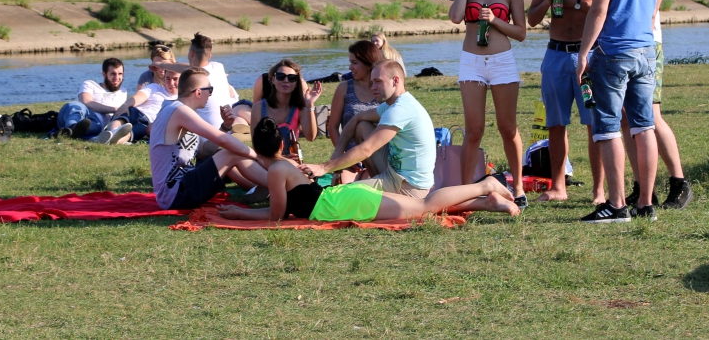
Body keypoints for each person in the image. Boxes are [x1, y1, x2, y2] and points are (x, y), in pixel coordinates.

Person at [218, 118, 519, 222]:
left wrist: (240, 212)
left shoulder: (275, 171)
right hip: (343, 198)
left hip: (343, 203)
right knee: (423, 207)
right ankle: (487, 202)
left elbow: (277, 217)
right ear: (281, 148)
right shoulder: (284, 165)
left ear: (258, 151)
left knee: (425, 207)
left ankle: (485, 186)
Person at [606, 0, 692, 211]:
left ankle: (680, 182)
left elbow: (652, 7)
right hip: (620, 44)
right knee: (627, 119)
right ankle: (644, 187)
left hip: (646, 43)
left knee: (651, 117)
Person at [575, 0, 661, 223]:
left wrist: (584, 53)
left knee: (608, 127)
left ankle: (616, 205)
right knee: (644, 126)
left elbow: (599, 10)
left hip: (615, 53)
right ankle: (646, 204)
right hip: (646, 51)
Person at [526, 0, 602, 204]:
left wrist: (576, 4)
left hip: (588, 57)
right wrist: (548, 0)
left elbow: (603, 14)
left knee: (595, 123)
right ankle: (558, 187)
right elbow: (531, 19)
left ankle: (599, 190)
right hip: (556, 55)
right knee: (555, 124)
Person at [449, 0, 528, 209]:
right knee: (474, 130)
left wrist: (495, 20)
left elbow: (521, 33)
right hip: (471, 61)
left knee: (508, 127)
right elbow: (456, 18)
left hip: (502, 60)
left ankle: (517, 187)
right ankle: (465, 191)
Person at [300, 60, 435, 199]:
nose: (373, 87)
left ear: (395, 81)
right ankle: (376, 184)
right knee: (362, 127)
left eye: (378, 82)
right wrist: (338, 152)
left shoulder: (400, 109)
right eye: (372, 82)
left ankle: (378, 192)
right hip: (394, 173)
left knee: (338, 196)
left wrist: (324, 168)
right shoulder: (393, 104)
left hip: (408, 187)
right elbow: (357, 118)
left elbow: (366, 149)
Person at [149, 67, 268, 210]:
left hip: (178, 189)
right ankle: (284, 186)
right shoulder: (179, 111)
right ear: (198, 92)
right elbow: (224, 141)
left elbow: (205, 152)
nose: (210, 95)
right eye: (210, 90)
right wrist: (257, 156)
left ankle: (272, 185)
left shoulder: (180, 110)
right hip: (174, 194)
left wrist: (225, 126)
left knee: (229, 152)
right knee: (231, 152)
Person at [240, 59, 321, 158]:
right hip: (265, 163)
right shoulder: (259, 107)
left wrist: (310, 105)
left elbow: (311, 137)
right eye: (281, 77)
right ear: (273, 80)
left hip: (292, 165)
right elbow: (256, 145)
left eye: (291, 78)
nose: (286, 80)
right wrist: (281, 159)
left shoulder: (299, 109)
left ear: (296, 83)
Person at [56, 57, 131, 144]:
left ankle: (72, 133)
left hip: (96, 123)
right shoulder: (90, 84)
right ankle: (72, 127)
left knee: (95, 126)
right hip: (81, 113)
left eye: (120, 74)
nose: (117, 77)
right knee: (77, 106)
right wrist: (114, 109)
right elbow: (86, 102)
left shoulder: (123, 91)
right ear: (104, 74)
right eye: (113, 74)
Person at [327, 41, 382, 150]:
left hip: (379, 154)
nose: (350, 68)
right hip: (351, 157)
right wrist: (342, 155)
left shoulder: (383, 89)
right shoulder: (344, 88)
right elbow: (332, 127)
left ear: (368, 63)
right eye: (350, 62)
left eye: (354, 63)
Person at [101, 68, 180, 142]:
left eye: (175, 79)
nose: (171, 83)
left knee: (133, 133)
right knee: (123, 117)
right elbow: (137, 97)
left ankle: (112, 140)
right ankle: (111, 132)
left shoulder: (181, 101)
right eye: (168, 79)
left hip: (149, 123)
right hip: (136, 112)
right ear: (164, 78)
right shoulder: (154, 87)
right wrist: (126, 105)